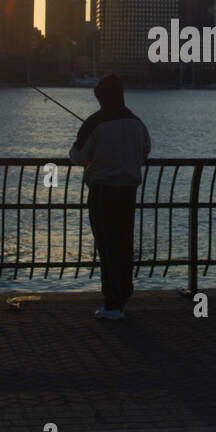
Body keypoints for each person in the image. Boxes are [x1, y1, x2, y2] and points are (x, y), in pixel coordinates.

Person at [69, 74, 151, 320]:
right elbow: (145, 151)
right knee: (124, 244)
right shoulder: (137, 122)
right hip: (128, 192)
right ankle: (123, 297)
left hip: (103, 191)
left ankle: (111, 303)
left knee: (106, 246)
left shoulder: (94, 122)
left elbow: (76, 156)